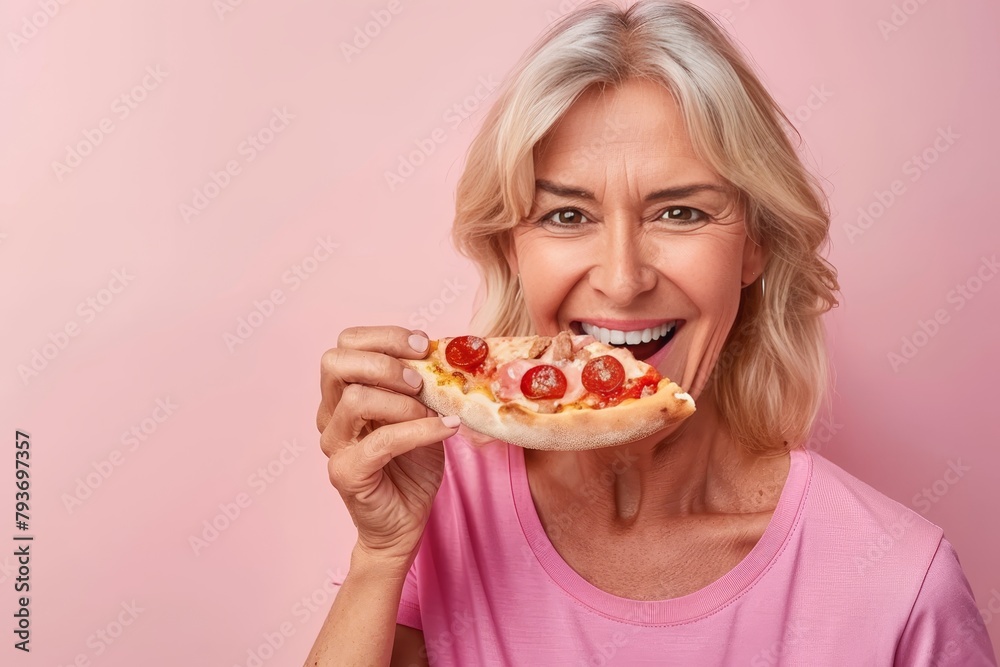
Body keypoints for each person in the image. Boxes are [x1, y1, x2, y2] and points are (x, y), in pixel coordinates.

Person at [306, 1, 998, 664]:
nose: (623, 277)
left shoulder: (898, 583)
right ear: (513, 249)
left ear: (753, 244)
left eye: (681, 213)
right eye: (568, 217)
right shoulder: (437, 513)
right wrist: (381, 555)